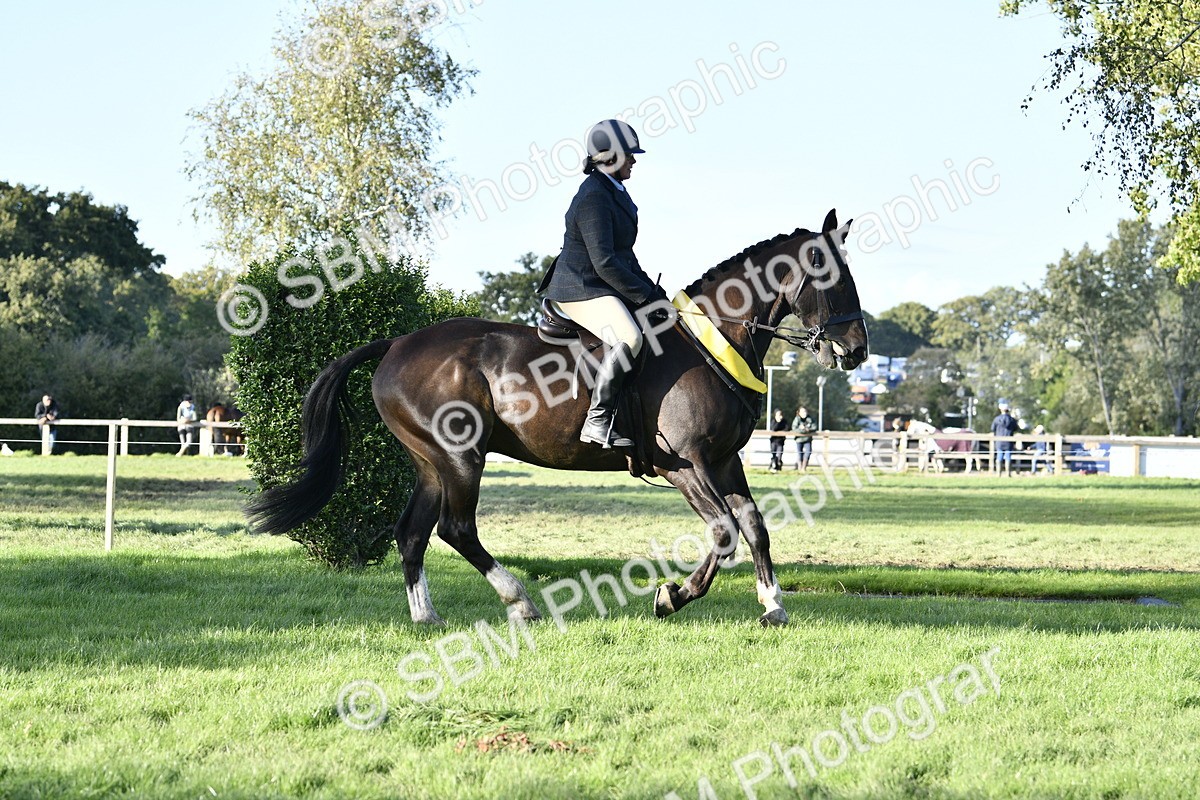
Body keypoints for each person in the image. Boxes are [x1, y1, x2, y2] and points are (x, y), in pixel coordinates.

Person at [539, 119, 669, 449]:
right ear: (609, 156)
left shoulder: (615, 192)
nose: (635, 161)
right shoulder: (594, 197)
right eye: (629, 155)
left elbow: (625, 256)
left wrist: (656, 295)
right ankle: (597, 420)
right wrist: (644, 298)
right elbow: (605, 263)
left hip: (601, 285)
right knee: (630, 336)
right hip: (581, 287)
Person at [990, 400, 1020, 477]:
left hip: (999, 441)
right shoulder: (1012, 420)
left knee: (999, 456)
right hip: (1009, 441)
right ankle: (1008, 473)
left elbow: (993, 428)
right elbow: (1016, 428)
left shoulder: (996, 419)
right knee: (1008, 456)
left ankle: (998, 473)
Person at [791, 406, 817, 471]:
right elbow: (794, 428)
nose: (804, 413)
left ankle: (803, 467)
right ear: (799, 413)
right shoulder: (797, 419)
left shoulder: (810, 419)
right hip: (799, 439)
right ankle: (800, 467)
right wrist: (802, 430)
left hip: (808, 439)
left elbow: (814, 427)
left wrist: (808, 430)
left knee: (808, 452)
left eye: (805, 411)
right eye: (802, 412)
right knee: (800, 453)